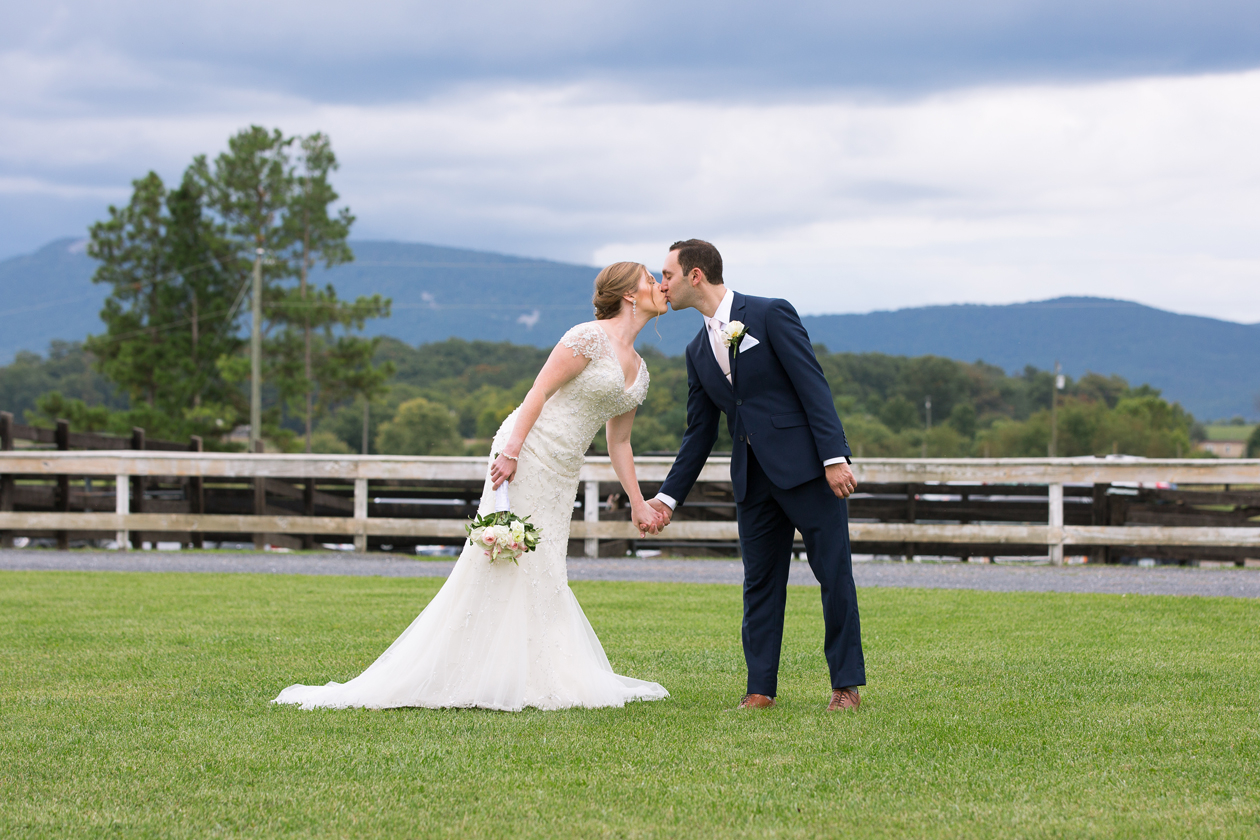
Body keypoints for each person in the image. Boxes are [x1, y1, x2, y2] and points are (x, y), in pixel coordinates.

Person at [274, 262, 670, 712]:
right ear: (629, 294)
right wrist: (512, 451)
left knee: (546, 566)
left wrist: (638, 503)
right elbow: (538, 392)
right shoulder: (586, 337)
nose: (659, 286)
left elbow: (619, 441)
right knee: (506, 558)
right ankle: (473, 671)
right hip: (527, 453)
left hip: (563, 472)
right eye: (650, 279)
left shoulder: (639, 368)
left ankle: (538, 671)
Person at [647, 239, 866, 711]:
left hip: (807, 470)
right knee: (760, 584)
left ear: (696, 275)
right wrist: (667, 498)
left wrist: (834, 457)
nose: (661, 283)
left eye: (666, 274)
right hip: (751, 479)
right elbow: (698, 434)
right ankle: (760, 689)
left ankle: (845, 687)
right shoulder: (695, 350)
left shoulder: (769, 314)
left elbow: (813, 385)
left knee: (834, 575)